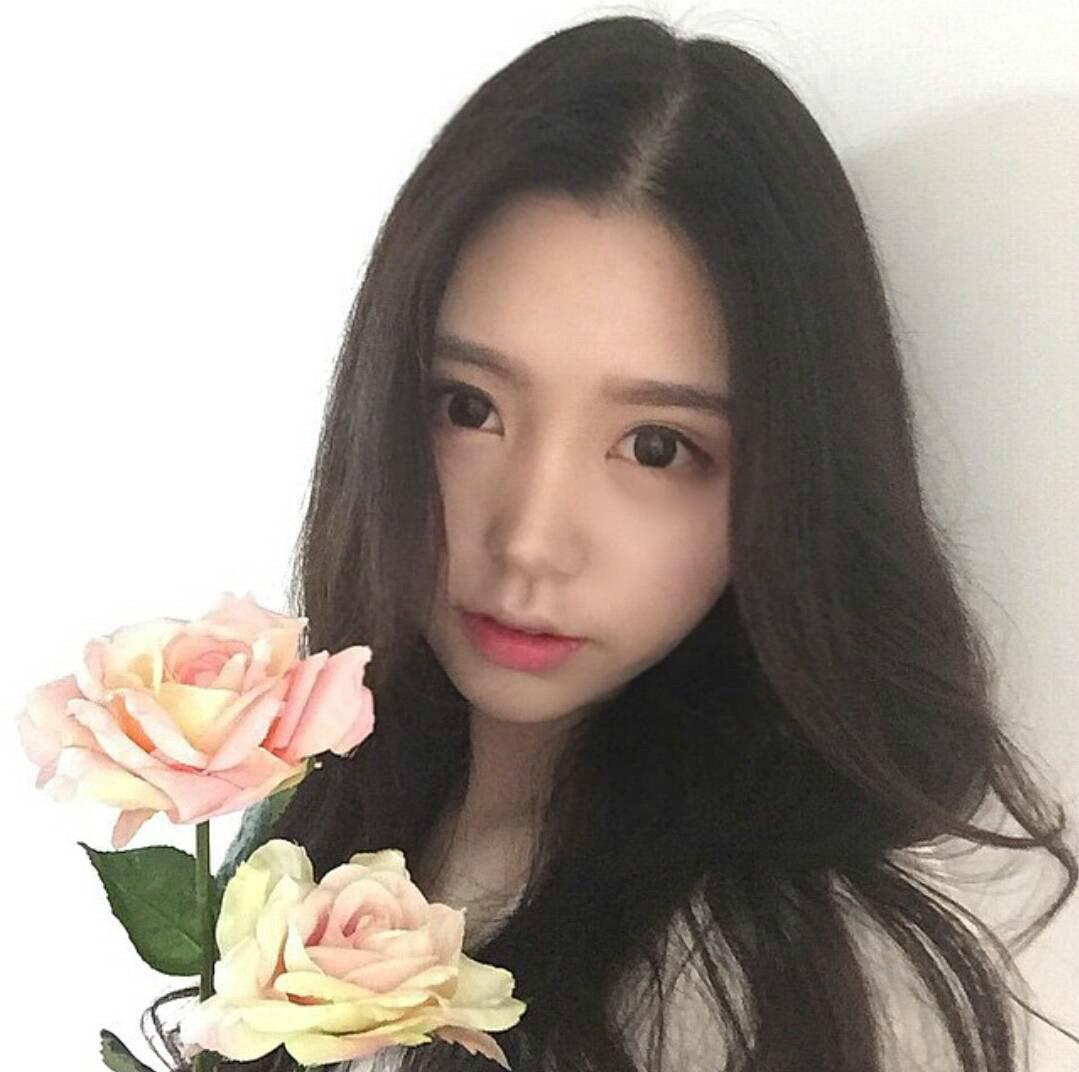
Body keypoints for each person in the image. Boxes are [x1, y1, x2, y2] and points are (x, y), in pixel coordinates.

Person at [145, 14, 1076, 1072]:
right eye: (468, 407)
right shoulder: (333, 820)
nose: (530, 540)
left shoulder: (765, 987)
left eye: (654, 446)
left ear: (788, 484)